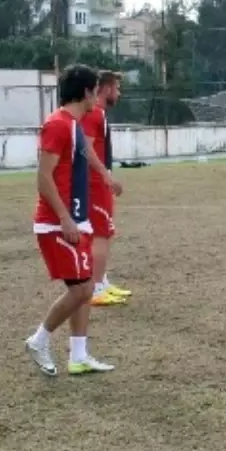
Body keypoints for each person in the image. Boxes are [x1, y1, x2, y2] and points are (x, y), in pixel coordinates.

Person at [25, 64, 117, 377]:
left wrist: (106, 176)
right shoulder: (57, 125)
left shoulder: (74, 124)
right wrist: (64, 218)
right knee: (81, 290)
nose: (99, 96)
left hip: (77, 219)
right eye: (96, 90)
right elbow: (43, 177)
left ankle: (79, 356)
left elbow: (88, 151)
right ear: (87, 92)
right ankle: (39, 340)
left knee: (87, 288)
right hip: (56, 223)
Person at [82, 70, 131, 307]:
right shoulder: (95, 115)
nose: (119, 93)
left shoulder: (97, 114)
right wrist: (106, 176)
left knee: (104, 232)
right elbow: (86, 149)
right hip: (94, 184)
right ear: (106, 89)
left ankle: (101, 281)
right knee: (101, 233)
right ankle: (96, 288)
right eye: (117, 88)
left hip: (97, 182)